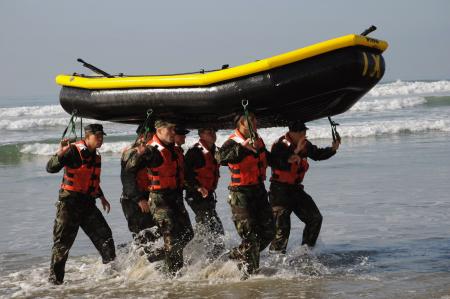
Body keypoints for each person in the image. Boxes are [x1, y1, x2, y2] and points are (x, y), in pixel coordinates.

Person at [46, 124, 116, 285]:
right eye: (97, 136)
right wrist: (60, 152)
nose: (100, 139)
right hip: (69, 205)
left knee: (105, 236)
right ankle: (55, 283)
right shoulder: (73, 151)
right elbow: (50, 168)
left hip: (88, 204)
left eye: (102, 136)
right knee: (62, 245)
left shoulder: (95, 155)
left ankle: (112, 277)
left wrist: (101, 196)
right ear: (87, 136)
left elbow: (89, 180)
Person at [215, 112, 275, 275]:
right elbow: (219, 157)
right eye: (250, 121)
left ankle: (237, 254)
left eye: (255, 119)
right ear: (240, 125)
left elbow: (267, 158)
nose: (255, 123)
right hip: (240, 194)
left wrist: (287, 158)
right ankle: (251, 276)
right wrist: (242, 148)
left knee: (270, 232)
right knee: (251, 238)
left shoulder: (258, 140)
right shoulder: (233, 142)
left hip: (259, 191)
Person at [269, 121, 340, 254]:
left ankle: (305, 253)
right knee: (282, 231)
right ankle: (274, 264)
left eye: (305, 132)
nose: (304, 134)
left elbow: (317, 154)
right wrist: (294, 151)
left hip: (296, 190)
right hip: (279, 192)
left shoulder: (305, 144)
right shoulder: (280, 145)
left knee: (315, 218)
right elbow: (277, 162)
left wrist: (332, 149)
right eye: (301, 132)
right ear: (293, 133)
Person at [140, 119, 194, 275]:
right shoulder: (151, 150)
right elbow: (130, 169)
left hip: (175, 197)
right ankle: (173, 277)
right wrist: (138, 198)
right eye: (170, 129)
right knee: (172, 239)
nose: (173, 132)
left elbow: (181, 175)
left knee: (188, 234)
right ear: (159, 131)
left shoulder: (175, 150)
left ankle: (156, 256)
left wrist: (197, 187)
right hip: (160, 199)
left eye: (173, 129)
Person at [120, 124, 162, 260]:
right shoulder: (131, 152)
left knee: (153, 234)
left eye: (153, 136)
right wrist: (139, 199)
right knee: (143, 235)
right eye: (149, 136)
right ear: (141, 136)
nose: (151, 138)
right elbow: (127, 177)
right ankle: (132, 264)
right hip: (133, 200)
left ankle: (143, 264)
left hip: (145, 196)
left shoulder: (149, 151)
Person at [184, 127, 225, 258]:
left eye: (214, 132)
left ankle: (198, 253)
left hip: (208, 197)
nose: (213, 134)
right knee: (214, 229)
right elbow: (184, 174)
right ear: (201, 134)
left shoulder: (215, 150)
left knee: (209, 227)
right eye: (209, 132)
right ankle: (210, 259)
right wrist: (197, 187)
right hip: (195, 196)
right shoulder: (194, 152)